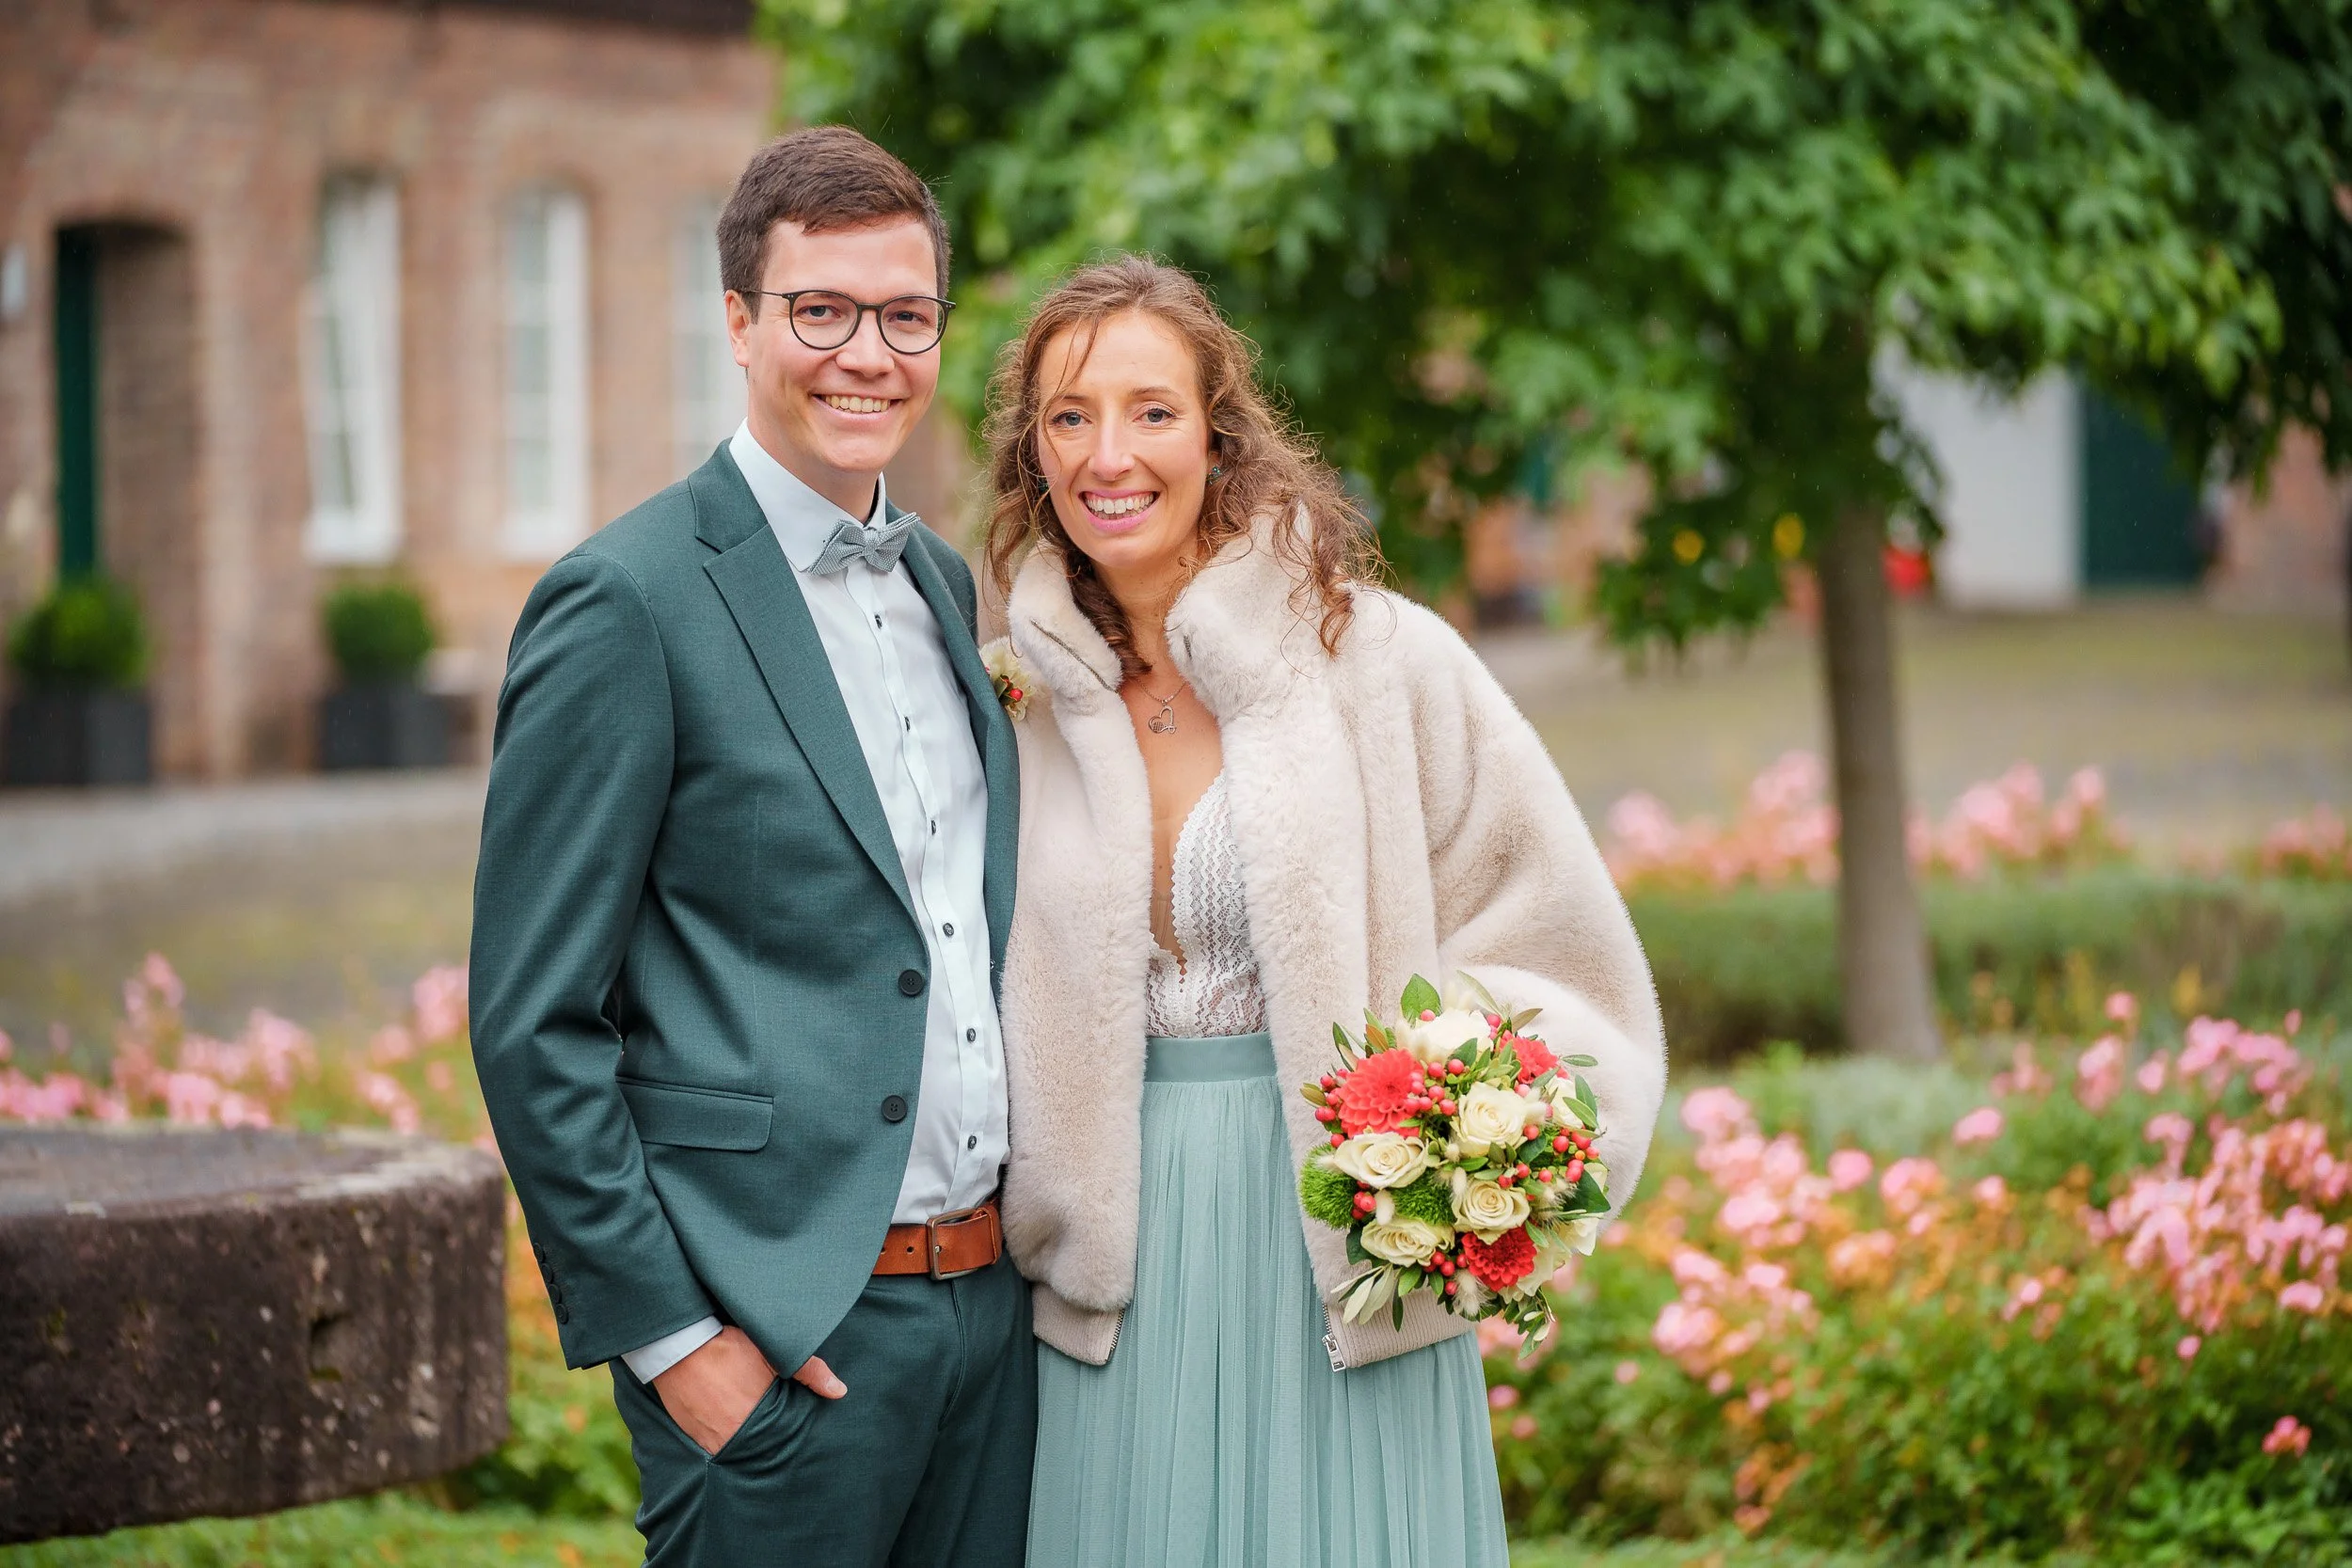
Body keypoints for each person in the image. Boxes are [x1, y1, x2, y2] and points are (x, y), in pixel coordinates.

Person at [981, 256, 1668, 1567]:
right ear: (1032, 453)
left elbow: (1556, 928)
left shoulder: (1379, 656)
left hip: (1347, 1252)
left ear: (1219, 434)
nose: (1108, 454)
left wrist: (1476, 1136)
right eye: (1069, 416)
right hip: (1107, 1277)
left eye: (1151, 410)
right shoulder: (1010, 704)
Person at [469, 126, 1032, 1567]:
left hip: (989, 1316)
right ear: (738, 320)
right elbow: (536, 1019)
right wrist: (679, 1342)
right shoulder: (625, 601)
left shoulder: (943, 582)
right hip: (780, 1342)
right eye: (821, 311)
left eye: (906, 316)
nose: (868, 354)